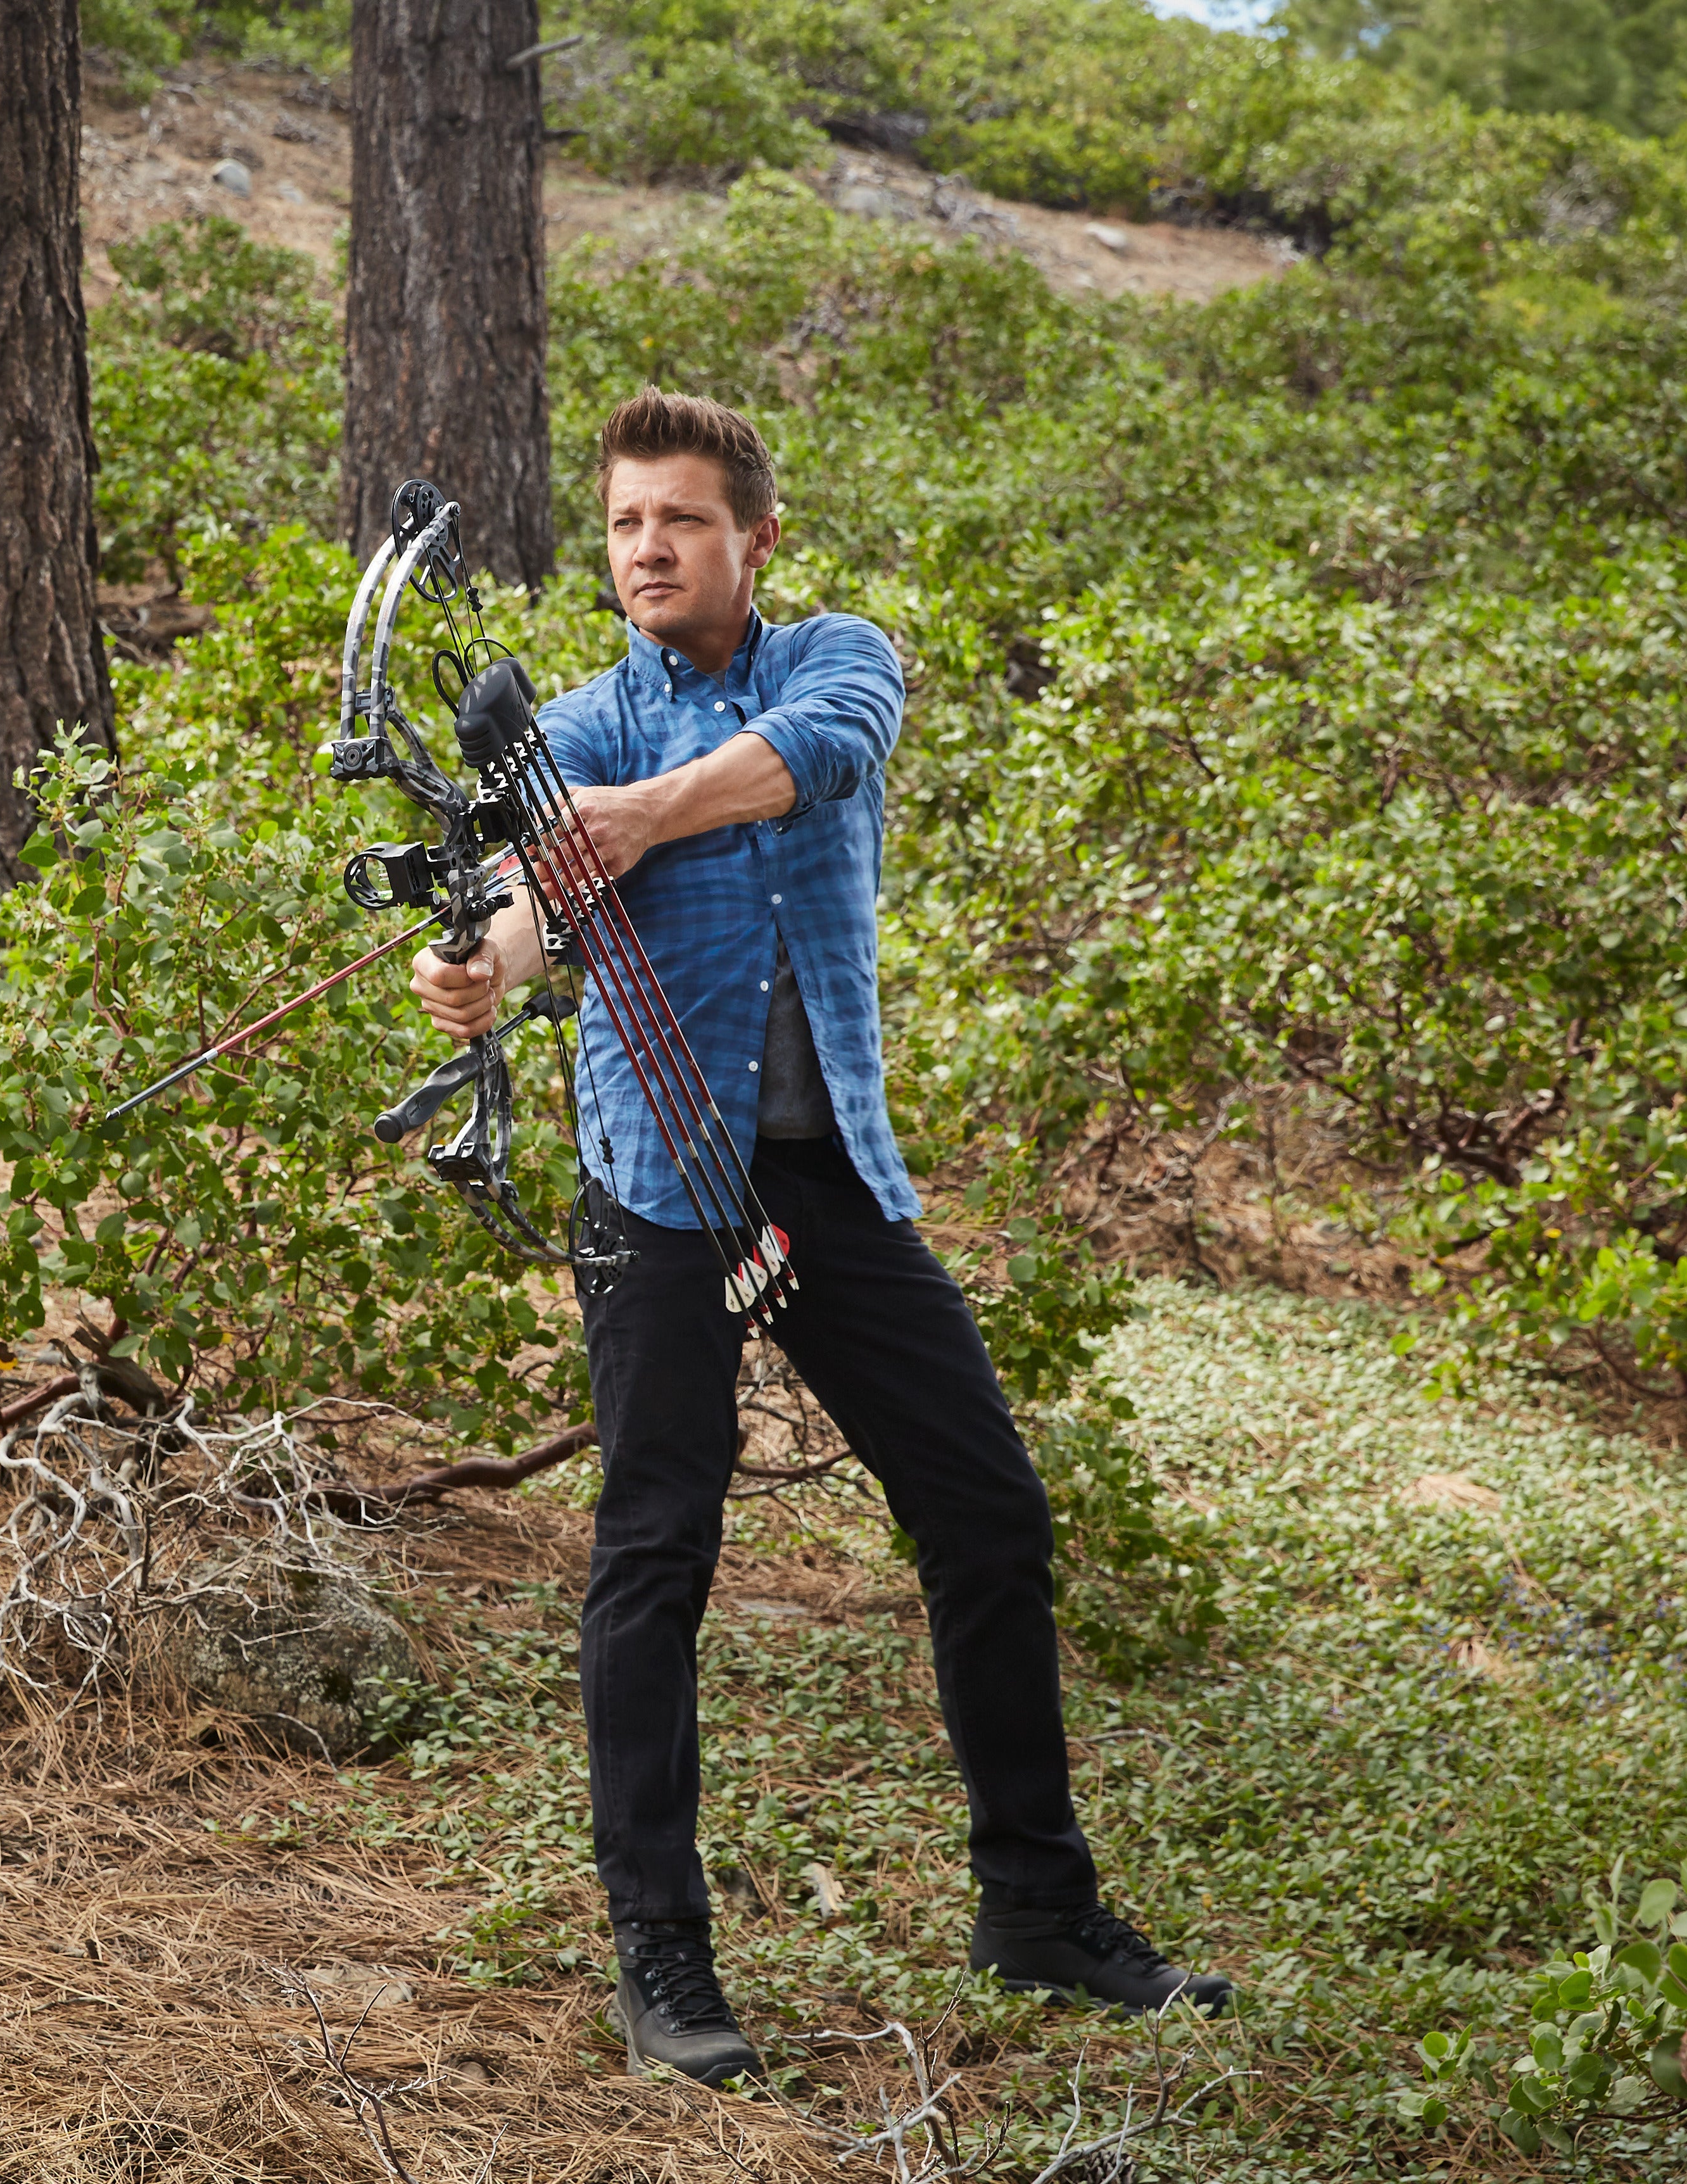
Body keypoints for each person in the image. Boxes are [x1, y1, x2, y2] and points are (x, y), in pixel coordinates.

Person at [408, 387, 1234, 2089]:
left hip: (830, 1184)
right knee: (655, 1553)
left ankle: (1038, 1909)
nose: (649, 546)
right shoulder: (566, 730)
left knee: (987, 1511)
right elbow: (523, 913)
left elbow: (814, 756)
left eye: (682, 520)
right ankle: (665, 1953)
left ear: (752, 541)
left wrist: (636, 816)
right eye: (628, 521)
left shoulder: (833, 659)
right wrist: (477, 969)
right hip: (657, 1193)